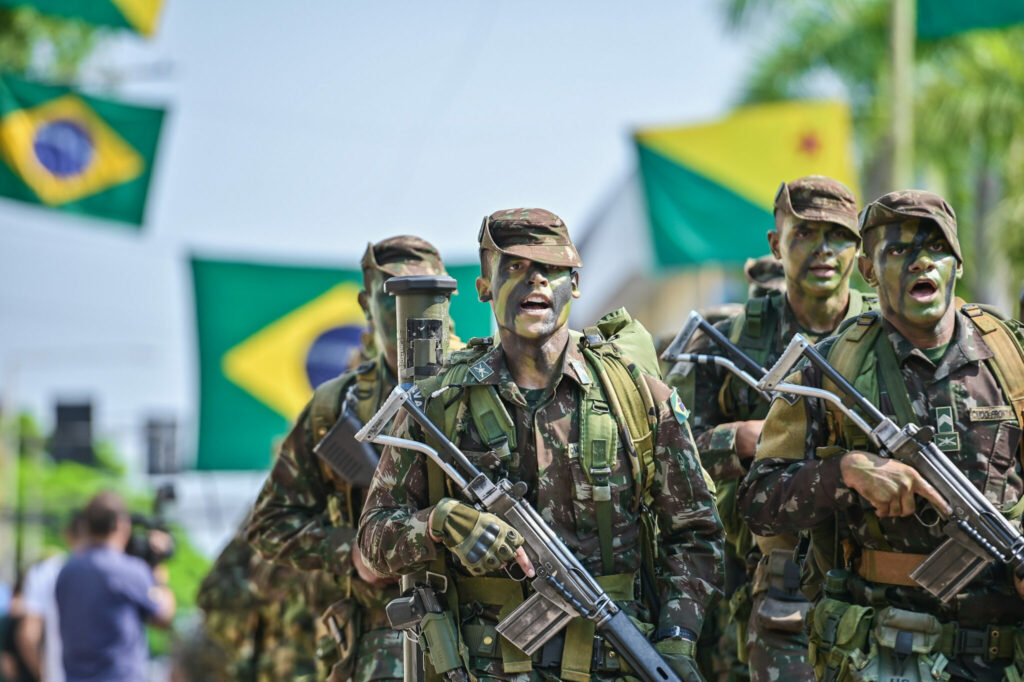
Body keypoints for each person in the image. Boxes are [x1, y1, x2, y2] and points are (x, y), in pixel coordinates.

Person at [357, 208, 724, 682]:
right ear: (484, 286)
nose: (535, 281)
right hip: (485, 668)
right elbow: (373, 539)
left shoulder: (636, 397)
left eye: (550, 269)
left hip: (613, 661)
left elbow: (696, 532)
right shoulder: (441, 406)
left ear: (575, 281)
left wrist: (676, 639)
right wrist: (439, 523)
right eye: (514, 267)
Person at [739, 190, 1024, 681]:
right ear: (868, 270)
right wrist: (845, 472)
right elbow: (758, 502)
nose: (921, 263)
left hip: (1004, 655)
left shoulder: (1010, 358)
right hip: (881, 652)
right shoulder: (829, 369)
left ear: (958, 262)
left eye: (936, 248)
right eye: (898, 251)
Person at [665, 176, 874, 682]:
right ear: (776, 244)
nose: (823, 251)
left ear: (858, 248)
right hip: (767, 581)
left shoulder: (886, 335)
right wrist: (733, 441)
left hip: (875, 574)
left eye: (838, 236)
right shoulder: (730, 339)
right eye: (804, 234)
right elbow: (665, 456)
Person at [246, 236, 453, 681]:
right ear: (366, 303)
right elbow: (269, 522)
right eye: (393, 295)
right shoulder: (333, 408)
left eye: (426, 296)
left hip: (481, 636)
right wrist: (352, 552)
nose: (409, 311)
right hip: (383, 640)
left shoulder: (483, 389)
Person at [55, 491, 175, 682]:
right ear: (121, 525)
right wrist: (159, 577)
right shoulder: (130, 571)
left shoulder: (67, 571)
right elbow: (163, 615)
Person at [17, 513, 85, 682]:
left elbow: (28, 635)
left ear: (67, 534)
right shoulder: (119, 570)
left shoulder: (47, 571)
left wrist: (44, 674)